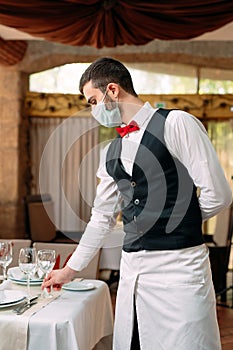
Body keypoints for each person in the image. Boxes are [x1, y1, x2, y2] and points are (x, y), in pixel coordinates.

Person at [43, 57, 232, 350]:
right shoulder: (110, 152)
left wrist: (178, 220)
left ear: (113, 91)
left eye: (93, 100)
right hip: (134, 270)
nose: (92, 109)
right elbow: (101, 218)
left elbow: (218, 193)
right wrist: (70, 270)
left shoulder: (177, 123)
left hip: (179, 268)